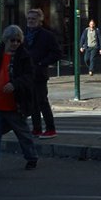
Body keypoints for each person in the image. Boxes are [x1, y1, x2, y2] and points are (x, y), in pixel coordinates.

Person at [0, 23, 41, 175]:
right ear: (6, 40)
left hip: (15, 104)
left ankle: (31, 157)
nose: (15, 43)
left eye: (18, 40)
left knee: (23, 133)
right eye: (12, 40)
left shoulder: (24, 56)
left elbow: (29, 76)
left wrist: (15, 84)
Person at [22, 7, 61, 137]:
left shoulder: (47, 35)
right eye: (29, 19)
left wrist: (42, 63)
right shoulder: (24, 34)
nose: (30, 21)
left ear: (40, 20)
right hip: (27, 73)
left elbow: (57, 53)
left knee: (42, 101)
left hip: (39, 73)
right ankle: (36, 128)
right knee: (32, 102)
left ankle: (50, 128)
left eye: (33, 19)